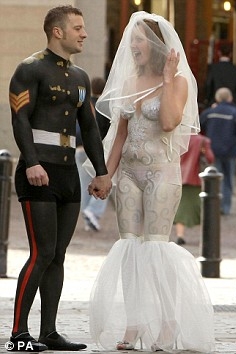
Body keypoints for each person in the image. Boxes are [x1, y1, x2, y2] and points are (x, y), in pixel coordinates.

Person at [88, 11, 214, 352]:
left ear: (156, 44)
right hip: (127, 172)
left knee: (156, 246)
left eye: (139, 38)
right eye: (132, 38)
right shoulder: (128, 85)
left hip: (162, 173)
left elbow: (172, 122)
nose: (132, 44)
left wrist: (171, 78)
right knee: (129, 246)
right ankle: (134, 325)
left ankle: (169, 325)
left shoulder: (179, 81)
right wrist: (106, 175)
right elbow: (119, 136)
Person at [8, 5, 112, 352]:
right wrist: (31, 162)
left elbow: (91, 129)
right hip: (39, 171)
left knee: (59, 255)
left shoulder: (81, 77)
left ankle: (49, 332)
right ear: (57, 31)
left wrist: (101, 172)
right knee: (42, 251)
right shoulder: (30, 68)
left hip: (68, 172)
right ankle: (19, 334)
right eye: (78, 28)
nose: (84, 33)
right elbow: (20, 119)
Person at [200, 87, 236, 215]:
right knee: (228, 179)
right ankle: (226, 207)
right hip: (230, 151)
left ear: (217, 98)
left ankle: (214, 206)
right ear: (230, 98)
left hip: (213, 150)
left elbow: (199, 126)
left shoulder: (209, 113)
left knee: (214, 178)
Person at [76, 77, 110, 231]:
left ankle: (87, 215)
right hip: (97, 150)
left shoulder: (84, 103)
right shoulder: (105, 107)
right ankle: (93, 211)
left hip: (80, 149)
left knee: (85, 185)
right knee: (105, 181)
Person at [173, 134, 215, 245]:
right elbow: (210, 158)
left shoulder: (178, 138)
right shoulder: (203, 140)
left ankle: (180, 235)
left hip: (179, 176)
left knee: (181, 208)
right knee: (202, 209)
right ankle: (206, 236)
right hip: (196, 179)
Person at [205, 43, 236, 109]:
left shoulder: (213, 68)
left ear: (219, 53)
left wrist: (207, 100)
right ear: (231, 54)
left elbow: (208, 84)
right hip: (233, 104)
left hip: (215, 103)